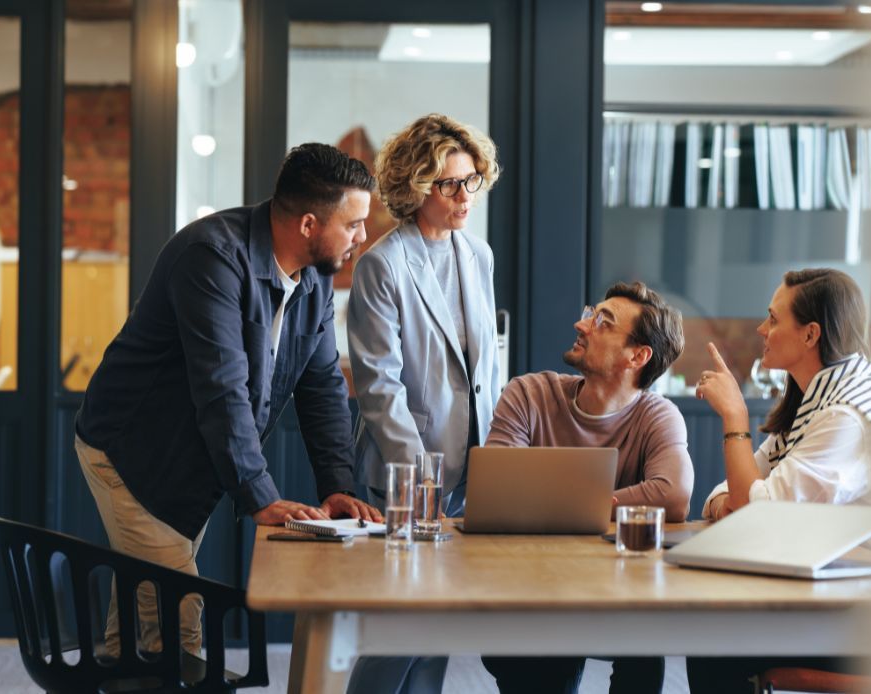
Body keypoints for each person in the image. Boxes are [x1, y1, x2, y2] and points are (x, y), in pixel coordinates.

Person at [74, 143, 383, 658]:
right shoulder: (212, 258)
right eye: (353, 224)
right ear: (309, 224)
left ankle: (121, 667)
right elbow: (222, 387)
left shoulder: (313, 280)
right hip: (131, 453)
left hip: (193, 454)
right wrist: (260, 496)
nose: (362, 237)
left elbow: (322, 385)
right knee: (176, 628)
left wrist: (338, 489)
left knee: (141, 622)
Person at [687, 267, 871, 694]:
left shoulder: (845, 419)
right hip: (838, 595)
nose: (760, 328)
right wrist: (736, 502)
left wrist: (734, 416)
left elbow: (758, 513)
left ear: (810, 335)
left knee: (711, 637)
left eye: (772, 319)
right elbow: (730, 494)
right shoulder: (816, 403)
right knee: (711, 633)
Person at [345, 113, 502, 694]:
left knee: (436, 628)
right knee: (402, 628)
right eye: (450, 184)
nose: (465, 196)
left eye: (471, 181)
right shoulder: (382, 265)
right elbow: (379, 385)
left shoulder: (477, 256)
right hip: (406, 477)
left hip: (472, 470)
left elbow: (487, 366)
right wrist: (423, 485)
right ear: (416, 187)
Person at [480, 280, 694, 694]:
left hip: (620, 595)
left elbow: (672, 495)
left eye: (602, 322)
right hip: (533, 590)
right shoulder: (528, 393)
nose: (582, 325)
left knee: (647, 636)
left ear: (638, 355)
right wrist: (603, 503)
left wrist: (557, 501)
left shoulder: (658, 416)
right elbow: (498, 487)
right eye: (589, 313)